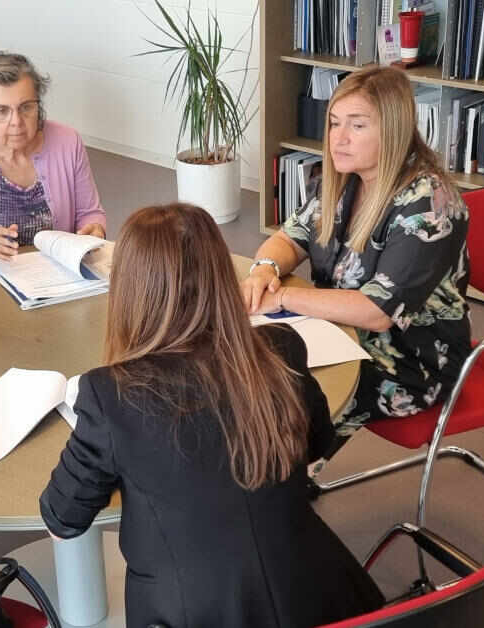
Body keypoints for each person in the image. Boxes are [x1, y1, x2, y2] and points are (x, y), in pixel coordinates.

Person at [40, 203, 385, 627]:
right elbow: (315, 445)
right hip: (316, 597)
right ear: (224, 277)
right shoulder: (281, 348)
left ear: (128, 291)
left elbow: (62, 521)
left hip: (188, 614)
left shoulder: (108, 395)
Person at [240, 66, 471, 462]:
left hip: (409, 361)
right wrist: (265, 269)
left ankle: (277, 487)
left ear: (394, 130)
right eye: (333, 123)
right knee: (242, 363)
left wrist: (284, 299)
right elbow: (289, 238)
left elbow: (378, 311)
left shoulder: (429, 204)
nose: (339, 139)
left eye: (357, 126)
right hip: (336, 331)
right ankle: (260, 486)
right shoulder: (344, 179)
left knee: (284, 394)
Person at [0, 52, 108, 264]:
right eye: (1, 111)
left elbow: (90, 213)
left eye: (26, 107)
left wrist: (95, 229)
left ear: (38, 106)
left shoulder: (68, 142)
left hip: (61, 275)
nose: (16, 121)